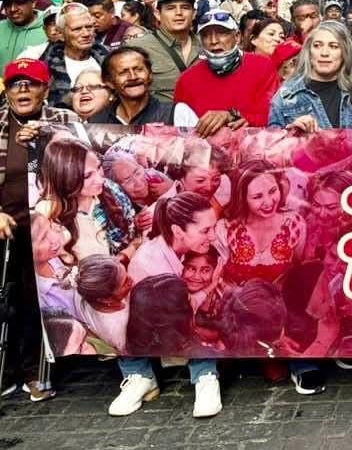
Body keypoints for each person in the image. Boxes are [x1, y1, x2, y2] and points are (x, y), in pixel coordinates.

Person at [0, 58, 75, 400]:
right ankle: (7, 369)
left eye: (31, 83)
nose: (23, 89)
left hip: (47, 225)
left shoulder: (64, 119)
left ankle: (34, 370)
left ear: (45, 88)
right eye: (16, 83)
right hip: (6, 224)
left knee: (36, 299)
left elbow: (83, 158)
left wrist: (46, 138)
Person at [113, 268, 221, 418]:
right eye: (188, 298)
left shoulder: (185, 316)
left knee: (198, 342)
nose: (191, 299)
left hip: (186, 335)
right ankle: (140, 376)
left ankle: (205, 374)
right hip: (150, 336)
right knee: (127, 343)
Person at [174, 10, 280, 134]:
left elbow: (273, 115)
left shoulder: (262, 67)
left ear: (237, 36)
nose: (213, 41)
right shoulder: (187, 80)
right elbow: (181, 131)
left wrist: (232, 116)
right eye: (206, 35)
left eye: (222, 33)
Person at [36, 137, 137, 263]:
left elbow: (134, 234)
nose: (100, 179)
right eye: (87, 176)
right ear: (64, 179)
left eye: (99, 167)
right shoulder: (49, 216)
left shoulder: (110, 188)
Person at [269, 21, 352, 135]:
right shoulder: (286, 95)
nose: (324, 53)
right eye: (317, 45)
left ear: (345, 52)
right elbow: (272, 148)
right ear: (309, 52)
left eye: (333, 46)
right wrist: (291, 133)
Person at [125, 0, 200, 102]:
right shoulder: (136, 48)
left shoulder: (208, 46)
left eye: (185, 7)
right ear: (157, 14)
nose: (179, 13)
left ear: (194, 13)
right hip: (158, 119)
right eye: (170, 8)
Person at [39, 2, 109, 109]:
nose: (86, 34)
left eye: (89, 27)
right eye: (77, 29)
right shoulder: (45, 67)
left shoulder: (111, 59)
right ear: (61, 34)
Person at [0, 0, 48, 72]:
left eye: (19, 2)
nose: (13, 9)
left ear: (33, 2)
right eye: (7, 4)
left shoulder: (50, 29)